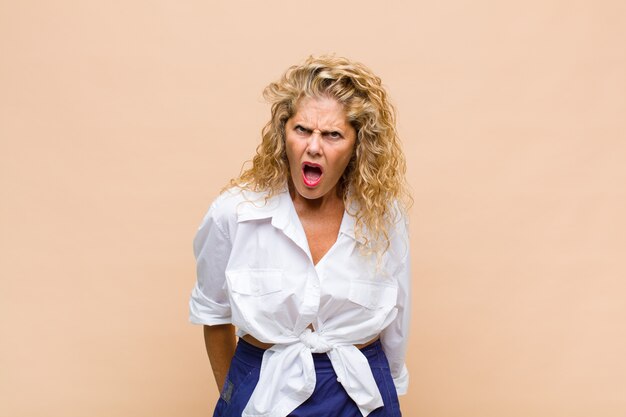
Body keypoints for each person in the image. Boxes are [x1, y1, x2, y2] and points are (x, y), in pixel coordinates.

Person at [189, 55, 412, 417]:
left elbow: (398, 317)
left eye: (333, 135)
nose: (313, 147)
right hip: (262, 387)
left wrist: (392, 390)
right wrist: (236, 393)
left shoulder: (384, 217)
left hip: (361, 394)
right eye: (302, 130)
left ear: (357, 146)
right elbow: (213, 314)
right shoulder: (234, 212)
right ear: (283, 132)